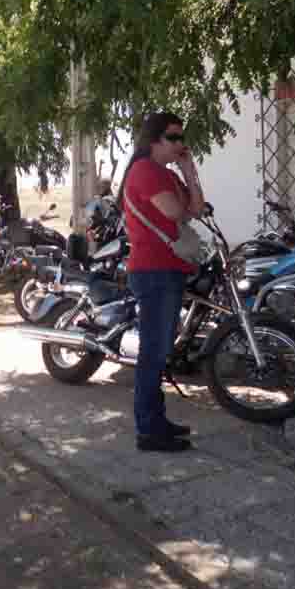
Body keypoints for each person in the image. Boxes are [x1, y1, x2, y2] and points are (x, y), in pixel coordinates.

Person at [119, 112, 207, 453]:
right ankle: (149, 431)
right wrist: (185, 205)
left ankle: (157, 421)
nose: (180, 144)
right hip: (153, 271)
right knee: (153, 354)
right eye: (173, 137)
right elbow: (174, 212)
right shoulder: (144, 171)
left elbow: (195, 208)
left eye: (182, 137)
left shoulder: (167, 174)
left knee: (160, 351)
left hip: (169, 269)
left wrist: (189, 173)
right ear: (153, 140)